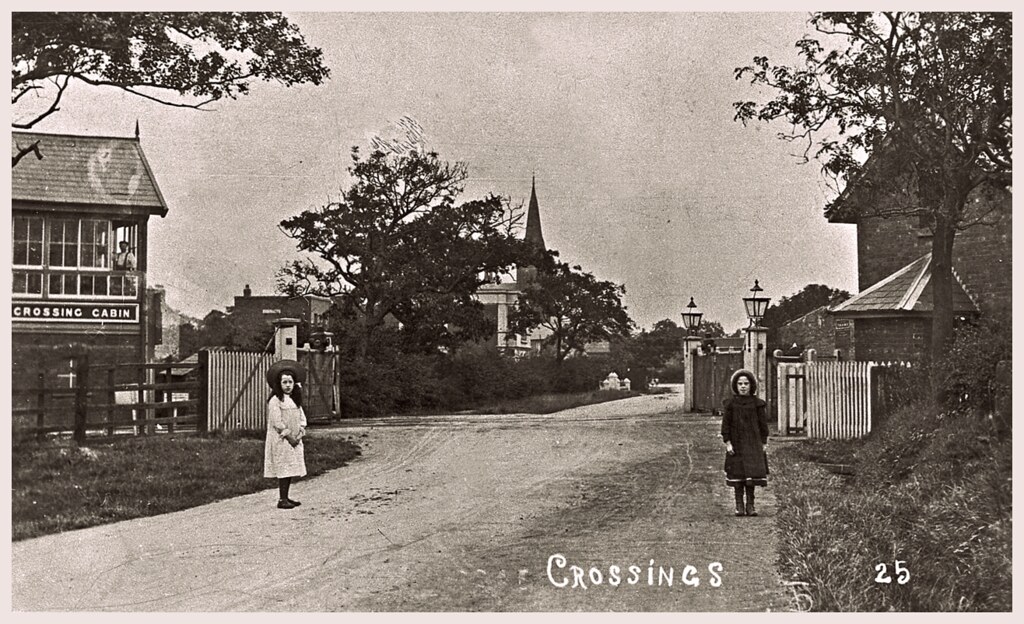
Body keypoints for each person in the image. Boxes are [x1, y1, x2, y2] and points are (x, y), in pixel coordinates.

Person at [721, 369, 769, 516]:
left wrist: (763, 442)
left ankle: (750, 505)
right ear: (735, 386)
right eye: (740, 384)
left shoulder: (757, 404)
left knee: (751, 475)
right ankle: (739, 506)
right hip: (737, 444)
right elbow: (726, 425)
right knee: (738, 474)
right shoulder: (731, 405)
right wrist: (728, 442)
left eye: (746, 384)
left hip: (753, 444)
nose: (743, 386)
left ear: (751, 385)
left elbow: (763, 425)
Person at [264, 359, 308, 509]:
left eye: (290, 382)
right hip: (281, 439)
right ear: (279, 384)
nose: (288, 385)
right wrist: (288, 436)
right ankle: (282, 499)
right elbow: (276, 422)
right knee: (284, 467)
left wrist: (300, 432)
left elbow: (302, 417)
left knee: (290, 467)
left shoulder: (295, 399)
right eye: (284, 382)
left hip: (294, 439)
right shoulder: (275, 400)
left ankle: (286, 497)